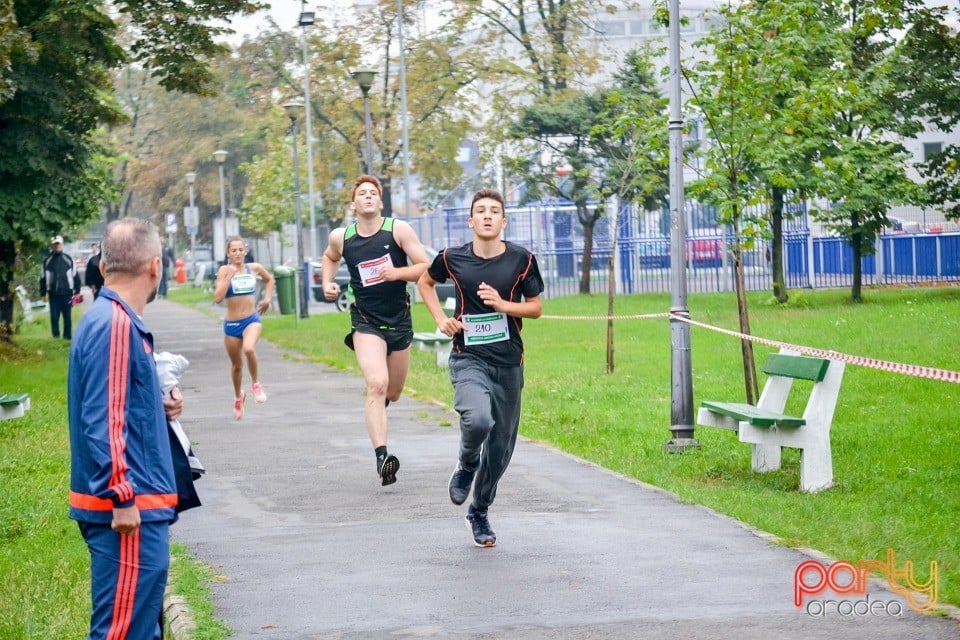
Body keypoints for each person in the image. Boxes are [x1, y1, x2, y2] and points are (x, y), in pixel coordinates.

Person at [68, 217, 185, 640]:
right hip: (127, 509)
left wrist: (156, 404)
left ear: (102, 266)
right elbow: (101, 419)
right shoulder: (115, 324)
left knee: (138, 626)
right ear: (156, 267)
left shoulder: (110, 319)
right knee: (123, 632)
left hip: (135, 503)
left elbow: (113, 401)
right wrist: (121, 495)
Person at [417, 189, 544, 547]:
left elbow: (535, 308)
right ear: (471, 221)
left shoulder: (522, 259)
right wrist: (441, 318)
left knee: (501, 447)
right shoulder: (453, 258)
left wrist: (504, 305)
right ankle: (466, 464)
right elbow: (425, 282)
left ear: (503, 221)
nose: (487, 216)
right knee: (478, 419)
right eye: (480, 211)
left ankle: (480, 511)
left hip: (508, 363)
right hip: (468, 357)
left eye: (494, 211)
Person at [321, 174, 430, 486]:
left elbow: (425, 265)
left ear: (380, 202)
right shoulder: (342, 237)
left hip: (399, 320)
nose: (367, 197)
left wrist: (396, 273)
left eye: (373, 193)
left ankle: (377, 412)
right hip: (365, 322)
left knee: (392, 393)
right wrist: (329, 281)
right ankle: (383, 456)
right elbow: (330, 258)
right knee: (377, 384)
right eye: (362, 193)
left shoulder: (398, 230)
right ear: (353, 203)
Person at [213, 235, 275, 420]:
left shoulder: (253, 268)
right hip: (232, 324)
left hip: (251, 319)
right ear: (228, 253)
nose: (238, 253)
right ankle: (238, 395)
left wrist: (267, 299)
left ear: (245, 251)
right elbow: (217, 298)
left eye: (241, 250)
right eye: (234, 250)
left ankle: (256, 384)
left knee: (249, 348)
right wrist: (227, 279)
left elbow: (270, 280)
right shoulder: (224, 270)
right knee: (237, 366)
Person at [40, 234, 81, 339]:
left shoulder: (69, 259)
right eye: (55, 244)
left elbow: (76, 276)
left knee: (67, 317)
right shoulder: (47, 261)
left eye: (59, 244)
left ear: (62, 245)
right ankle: (56, 336)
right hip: (53, 294)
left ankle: (67, 337)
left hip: (67, 294)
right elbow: (42, 278)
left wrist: (77, 292)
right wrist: (42, 293)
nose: (57, 246)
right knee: (54, 317)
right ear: (52, 246)